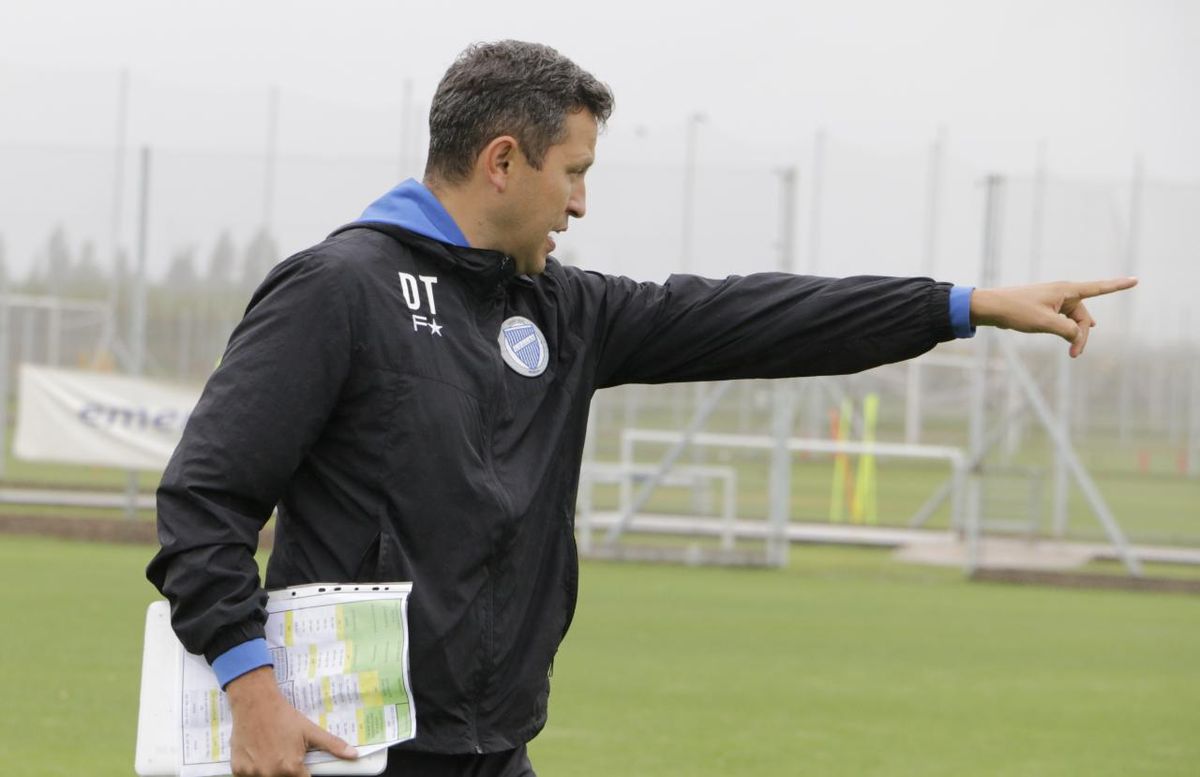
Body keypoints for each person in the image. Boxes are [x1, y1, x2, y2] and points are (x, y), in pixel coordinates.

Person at [146, 40, 1135, 777]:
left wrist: (960, 306)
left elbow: (754, 318)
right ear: (502, 162)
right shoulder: (338, 289)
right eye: (571, 173)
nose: (580, 204)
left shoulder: (565, 311)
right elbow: (203, 502)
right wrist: (251, 688)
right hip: (346, 749)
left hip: (496, 749)